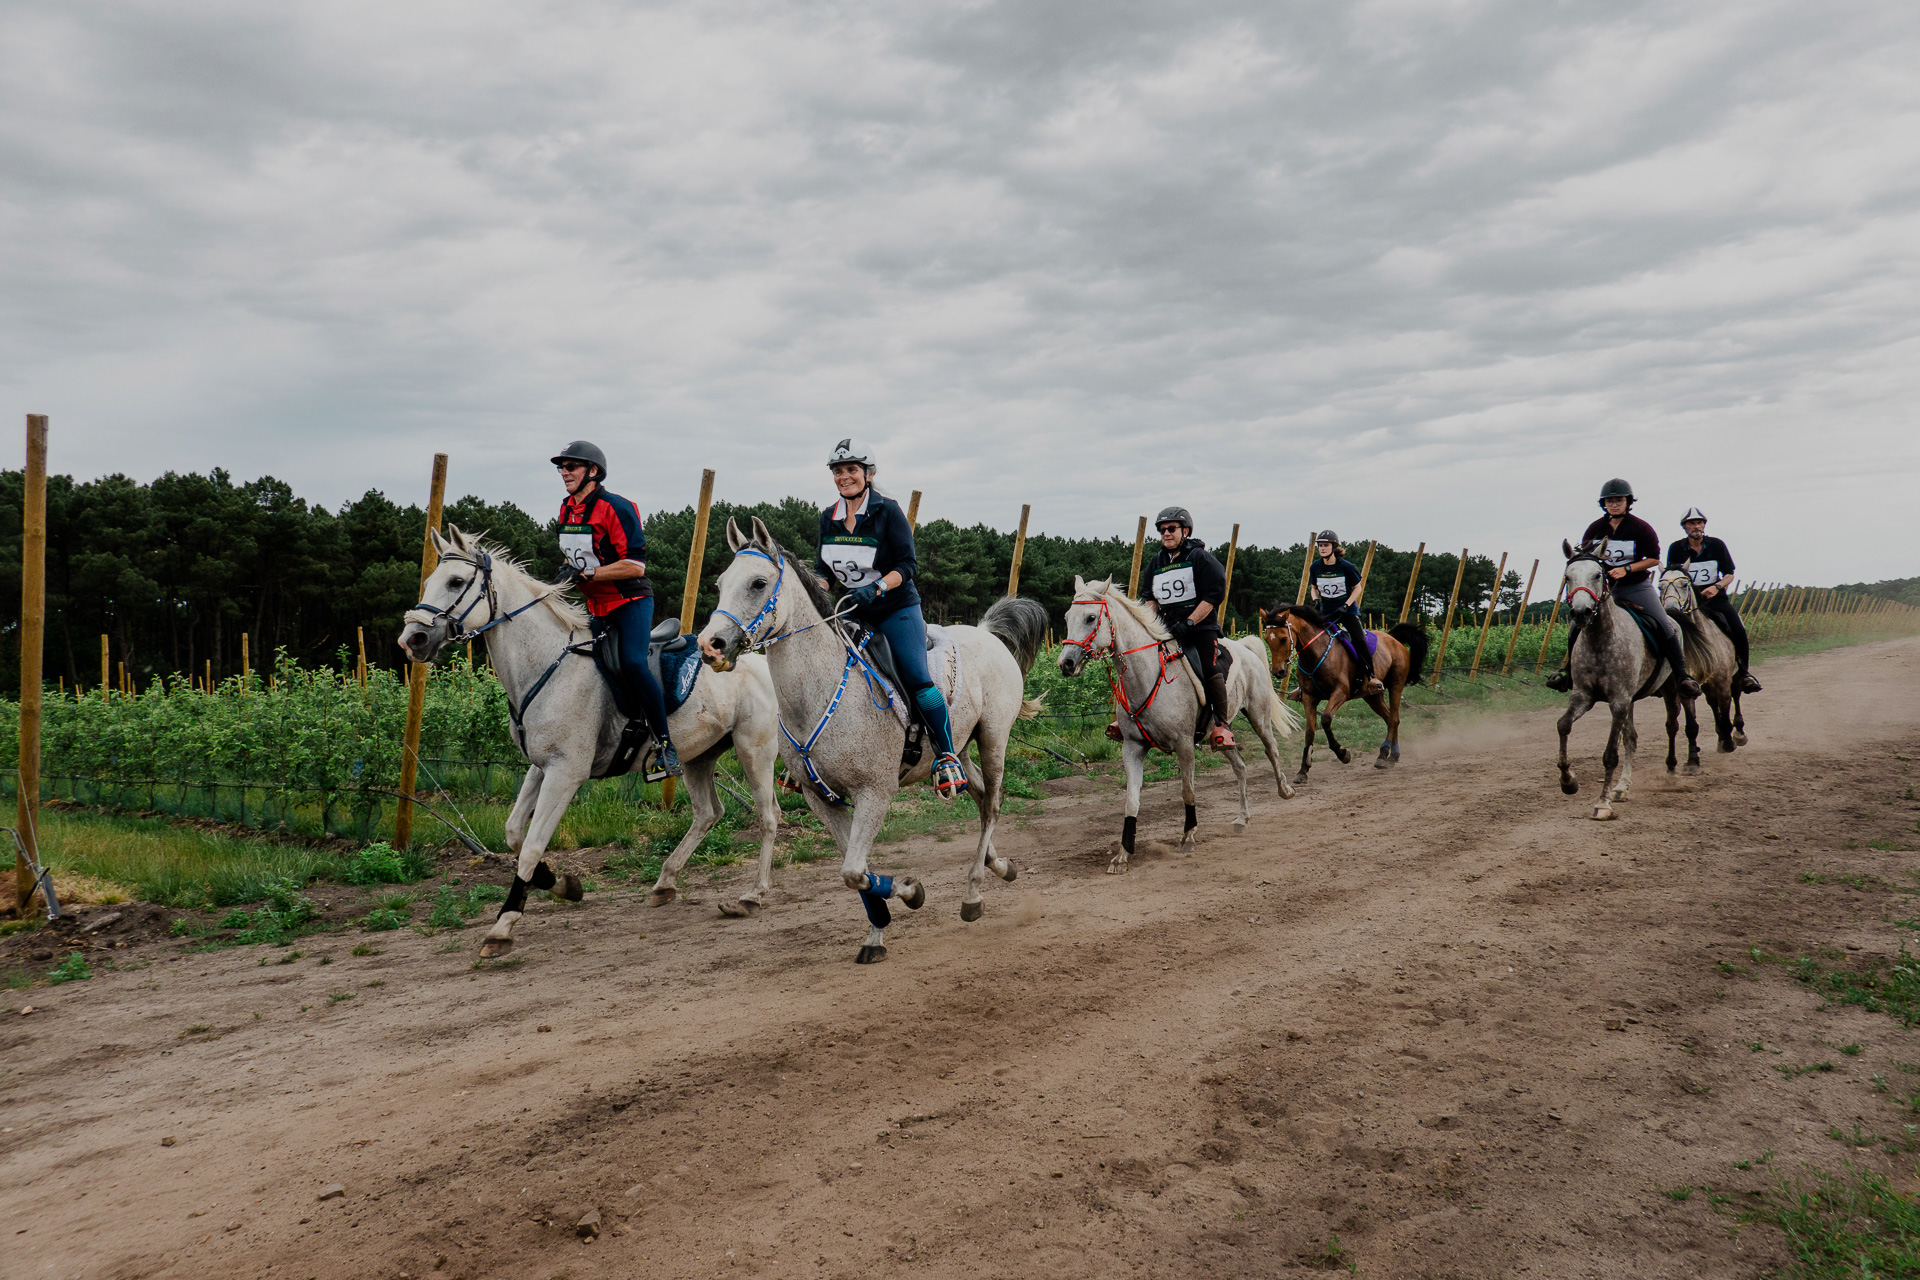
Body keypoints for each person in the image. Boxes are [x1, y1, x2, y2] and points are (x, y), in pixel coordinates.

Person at [813, 439, 969, 799]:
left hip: (896, 608)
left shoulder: (888, 511)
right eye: (838, 471)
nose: (844, 476)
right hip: (852, 611)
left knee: (915, 676)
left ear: (868, 474)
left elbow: (907, 566)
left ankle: (946, 754)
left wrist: (879, 586)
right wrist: (817, 587)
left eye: (851, 470)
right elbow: (823, 568)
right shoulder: (828, 517)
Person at [551, 440, 680, 776]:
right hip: (596, 605)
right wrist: (567, 570)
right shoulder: (566, 508)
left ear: (593, 471)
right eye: (561, 467)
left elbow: (635, 566)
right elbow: (576, 554)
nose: (564, 472)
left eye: (571, 466)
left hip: (630, 601)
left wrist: (589, 572)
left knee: (634, 664)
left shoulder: (616, 507)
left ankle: (666, 746)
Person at [1545, 478, 1703, 698]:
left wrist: (1627, 569)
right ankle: (1568, 673)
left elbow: (1652, 559)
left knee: (1665, 625)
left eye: (1619, 500)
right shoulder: (1595, 528)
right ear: (1604, 504)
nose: (1614, 504)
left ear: (1628, 502)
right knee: (1576, 626)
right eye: (1609, 501)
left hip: (1636, 586)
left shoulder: (1641, 527)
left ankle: (1682, 676)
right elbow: (1588, 558)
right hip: (1605, 590)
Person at [1141, 506, 1237, 748]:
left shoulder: (1200, 558)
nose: (1166, 533)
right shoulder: (1157, 562)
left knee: (1208, 666)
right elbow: (1150, 598)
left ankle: (1221, 725)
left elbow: (1214, 595)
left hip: (1200, 628)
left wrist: (1190, 622)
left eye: (1171, 529)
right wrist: (1148, 624)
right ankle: (1135, 721)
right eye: (1162, 530)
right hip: (1166, 629)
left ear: (1185, 531)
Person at [1667, 507, 1761, 693]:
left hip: (1715, 600)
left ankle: (1743, 672)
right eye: (1692, 523)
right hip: (1688, 603)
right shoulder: (1676, 548)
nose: (1696, 526)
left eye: (1699, 523)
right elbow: (1672, 575)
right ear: (1684, 527)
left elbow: (1729, 574)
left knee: (1738, 629)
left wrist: (1716, 587)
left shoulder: (1717, 545)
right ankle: (1670, 676)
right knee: (1669, 631)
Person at [1308, 531, 1384, 696]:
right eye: (1320, 545)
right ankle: (1306, 682)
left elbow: (1358, 588)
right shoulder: (1315, 567)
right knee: (1312, 640)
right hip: (1326, 612)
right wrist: (1315, 600)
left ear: (1334, 547)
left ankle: (1371, 677)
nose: (1322, 548)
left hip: (1347, 611)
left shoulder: (1346, 567)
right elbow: (1313, 587)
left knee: (1359, 639)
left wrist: (1346, 604)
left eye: (1326, 545)